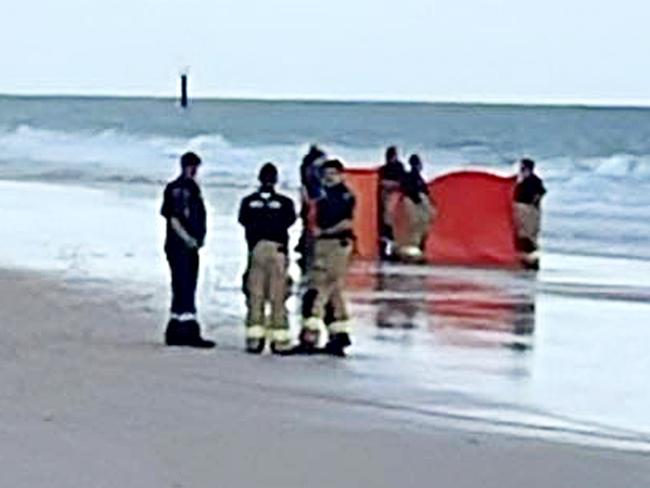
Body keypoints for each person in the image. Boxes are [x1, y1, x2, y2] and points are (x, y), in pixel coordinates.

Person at [238, 163, 297, 354]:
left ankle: (254, 340)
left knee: (255, 295)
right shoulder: (285, 202)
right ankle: (280, 341)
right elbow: (289, 221)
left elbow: (243, 221)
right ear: (276, 179)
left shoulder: (248, 202)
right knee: (278, 296)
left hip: (255, 249)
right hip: (278, 250)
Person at [299, 159, 355, 357]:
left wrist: (323, 231)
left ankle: (309, 336)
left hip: (334, 244)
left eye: (333, 173)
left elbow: (347, 223)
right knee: (334, 291)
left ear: (341, 174)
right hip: (325, 245)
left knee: (319, 288)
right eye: (326, 173)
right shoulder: (324, 195)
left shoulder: (343, 195)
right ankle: (339, 335)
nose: (329, 177)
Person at [160, 152, 215, 348]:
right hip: (182, 245)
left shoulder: (182, 188)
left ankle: (175, 328)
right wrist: (189, 239)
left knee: (181, 285)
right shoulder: (181, 189)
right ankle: (186, 330)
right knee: (185, 285)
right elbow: (173, 217)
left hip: (181, 244)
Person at [393, 154, 434, 262]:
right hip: (415, 206)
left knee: (418, 230)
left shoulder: (414, 177)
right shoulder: (414, 177)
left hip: (416, 205)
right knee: (416, 229)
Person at [296, 145, 327, 273]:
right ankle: (307, 247)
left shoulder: (306, 167)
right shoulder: (314, 169)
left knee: (307, 224)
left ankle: (304, 246)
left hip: (309, 198)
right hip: (314, 199)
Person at [513, 158, 547, 266]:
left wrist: (534, 202)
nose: (521, 170)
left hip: (529, 210)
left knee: (528, 233)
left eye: (523, 168)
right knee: (523, 232)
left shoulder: (535, 181)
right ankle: (525, 255)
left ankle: (528, 256)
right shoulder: (521, 181)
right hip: (523, 209)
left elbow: (540, 193)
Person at [378, 146, 406, 259]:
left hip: (394, 195)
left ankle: (391, 242)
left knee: (390, 217)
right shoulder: (384, 168)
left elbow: (401, 182)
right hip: (387, 195)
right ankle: (388, 242)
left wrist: (390, 184)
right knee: (387, 217)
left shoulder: (398, 167)